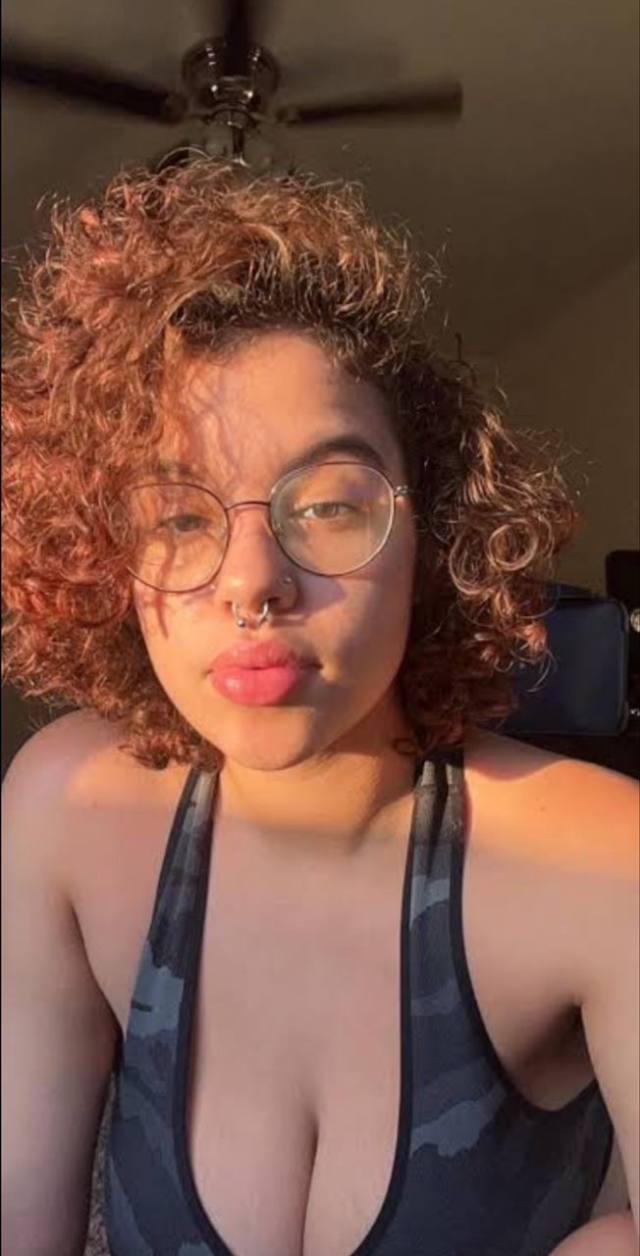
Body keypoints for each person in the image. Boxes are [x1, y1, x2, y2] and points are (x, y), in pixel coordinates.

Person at [1, 159, 637, 1256]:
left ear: (433, 530)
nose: (254, 581)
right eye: (180, 517)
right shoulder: (67, 811)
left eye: (332, 505)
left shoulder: (602, 866)